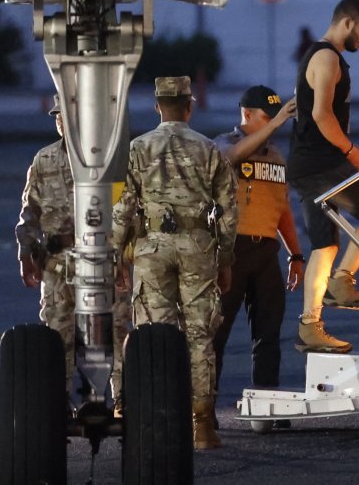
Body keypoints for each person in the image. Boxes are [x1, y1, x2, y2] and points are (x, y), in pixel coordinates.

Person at [112, 76, 237, 450]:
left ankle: (158, 418)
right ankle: (202, 426)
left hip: (151, 248)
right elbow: (229, 209)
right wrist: (225, 257)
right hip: (197, 245)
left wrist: (117, 255)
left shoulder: (137, 148)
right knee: (200, 335)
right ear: (189, 105)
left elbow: (123, 206)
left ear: (156, 107)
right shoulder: (209, 149)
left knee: (153, 336)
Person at [287, 0, 359, 353]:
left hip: (308, 164)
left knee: (324, 245)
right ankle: (342, 283)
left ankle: (310, 325)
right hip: (322, 164)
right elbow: (321, 115)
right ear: (347, 22)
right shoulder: (328, 57)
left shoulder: (318, 56)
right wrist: (350, 150)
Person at [15, 93, 131, 410]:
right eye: (58, 116)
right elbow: (30, 211)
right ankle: (58, 403)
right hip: (57, 265)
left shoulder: (110, 159)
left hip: (102, 258)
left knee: (116, 332)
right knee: (57, 334)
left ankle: (122, 398)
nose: (62, 121)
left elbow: (128, 209)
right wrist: (26, 250)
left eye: (69, 115)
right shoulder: (44, 160)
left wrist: (124, 257)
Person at [212, 85, 304, 398]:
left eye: (277, 118)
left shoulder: (275, 155)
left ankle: (268, 402)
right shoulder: (225, 143)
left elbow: (283, 209)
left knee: (269, 334)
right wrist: (277, 123)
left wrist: (296, 255)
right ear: (247, 114)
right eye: (268, 117)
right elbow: (228, 158)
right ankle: (203, 409)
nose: (274, 123)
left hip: (266, 252)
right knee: (216, 333)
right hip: (231, 249)